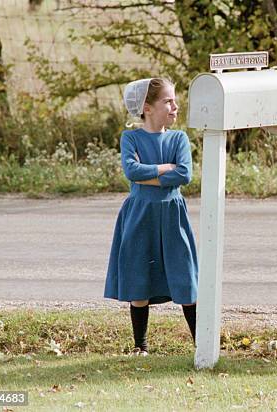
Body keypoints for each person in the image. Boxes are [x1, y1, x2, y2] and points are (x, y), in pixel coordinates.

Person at [104, 77, 198, 355]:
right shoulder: (130, 137)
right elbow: (131, 171)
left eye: (174, 100)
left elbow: (184, 175)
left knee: (184, 277)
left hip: (172, 214)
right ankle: (140, 345)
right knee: (139, 275)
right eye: (167, 101)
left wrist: (150, 174)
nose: (175, 106)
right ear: (147, 107)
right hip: (140, 214)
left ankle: (199, 344)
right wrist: (164, 169)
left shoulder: (178, 138)